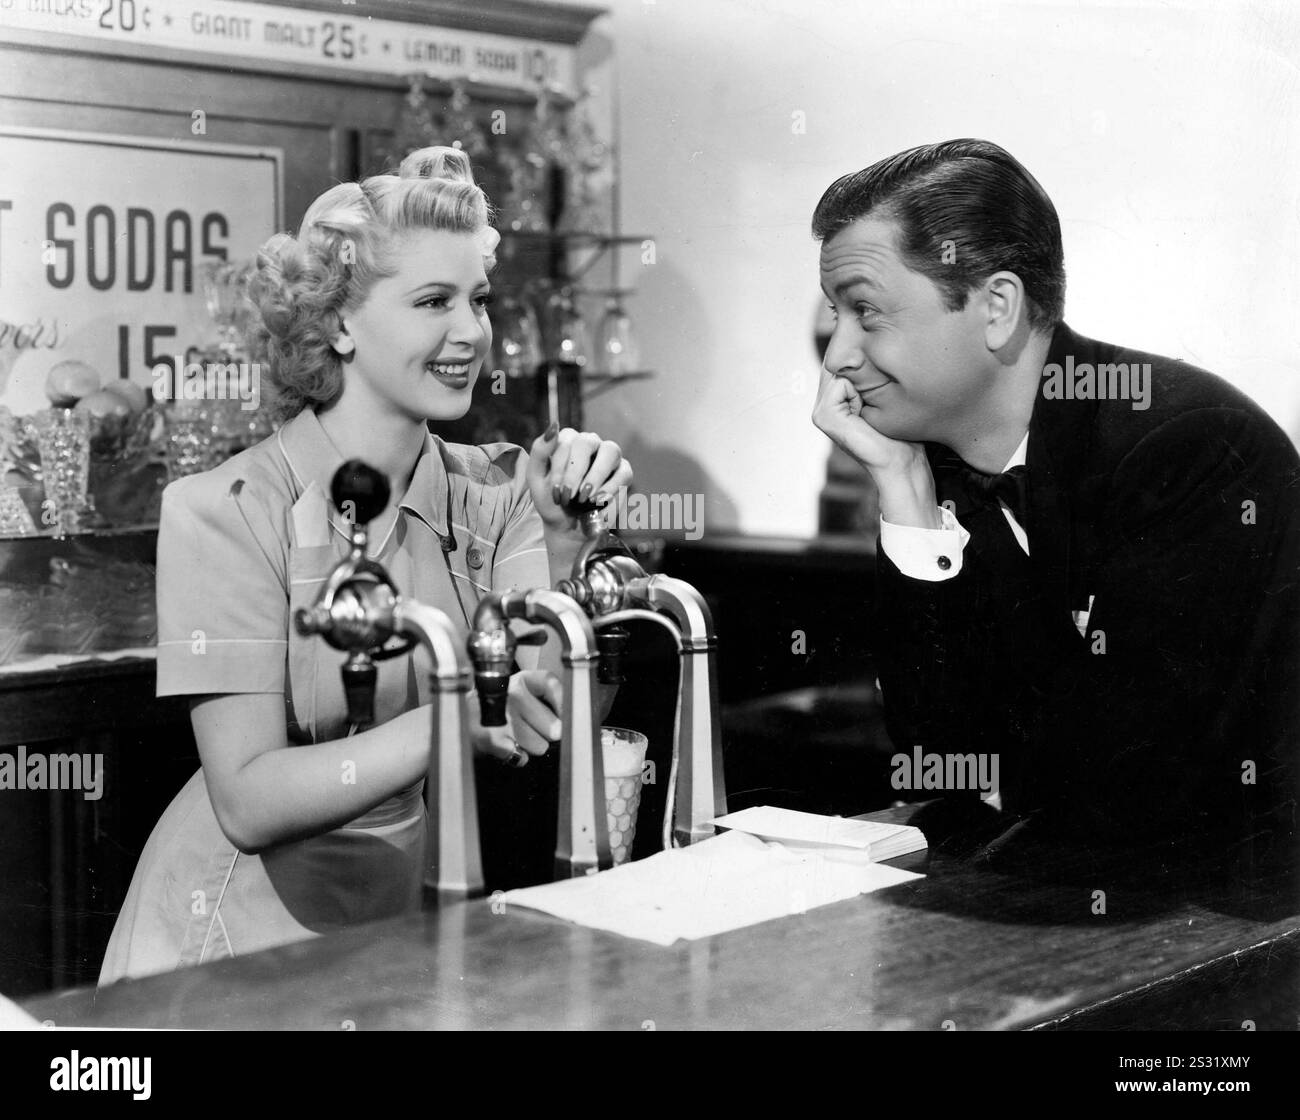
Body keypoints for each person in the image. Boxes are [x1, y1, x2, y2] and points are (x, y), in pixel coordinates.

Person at [100, 147, 632, 984]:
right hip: (224, 942)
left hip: (388, 928)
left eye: (478, 300)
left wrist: (566, 543)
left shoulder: (492, 489)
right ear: (340, 324)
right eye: (433, 302)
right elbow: (246, 799)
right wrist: (452, 717)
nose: (471, 331)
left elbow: (539, 711)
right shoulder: (226, 509)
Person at [811, 139, 1299, 879]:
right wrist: (905, 492)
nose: (837, 355)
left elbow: (1127, 790)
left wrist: (1004, 766)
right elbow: (935, 763)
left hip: (1237, 905)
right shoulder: (926, 463)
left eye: (866, 313)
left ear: (997, 309)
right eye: (835, 317)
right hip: (1062, 889)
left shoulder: (1188, 447)